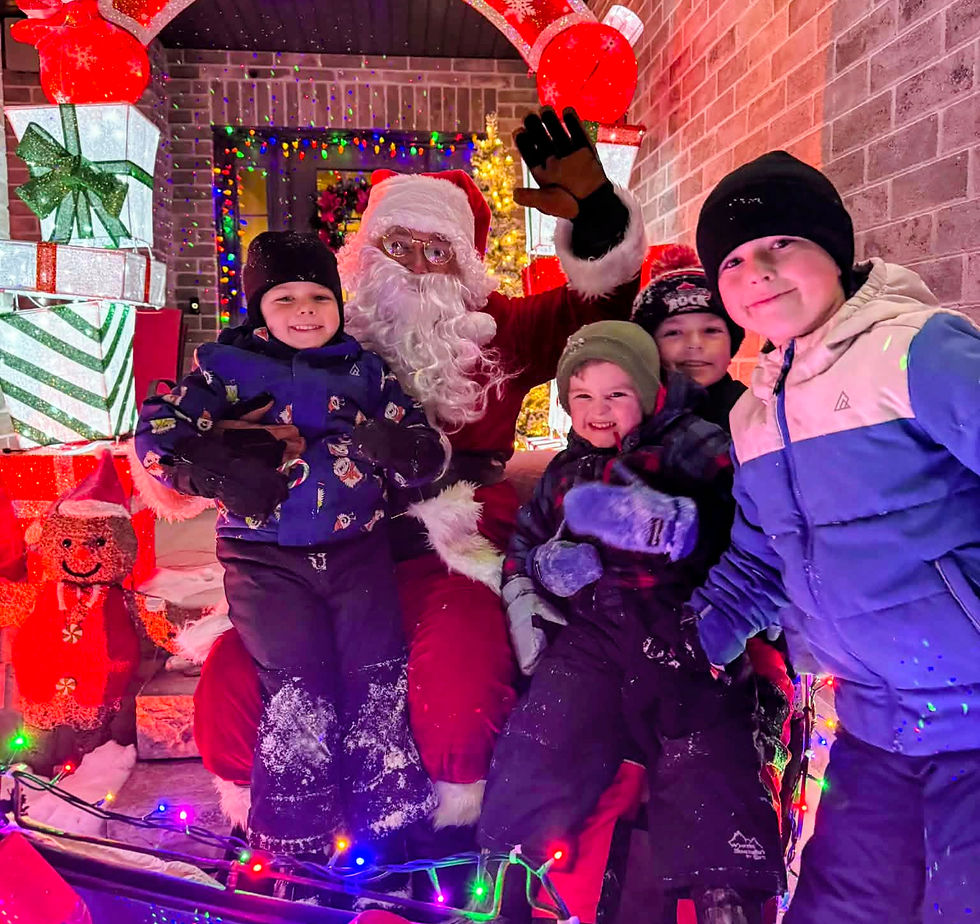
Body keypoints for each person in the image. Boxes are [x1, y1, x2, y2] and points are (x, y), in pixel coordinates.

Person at [183, 107, 650, 842]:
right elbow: (200, 425)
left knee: (459, 674)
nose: (412, 263)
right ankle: (280, 830)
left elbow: (601, 306)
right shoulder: (312, 334)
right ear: (365, 255)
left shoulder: (499, 327)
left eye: (435, 249)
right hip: (315, 548)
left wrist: (596, 223)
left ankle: (437, 838)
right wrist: (218, 463)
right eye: (396, 244)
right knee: (238, 680)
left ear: (463, 265)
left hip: (450, 537)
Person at [689, 150, 980, 923]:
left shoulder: (918, 350)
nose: (759, 271)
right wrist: (690, 644)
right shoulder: (756, 414)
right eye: (736, 260)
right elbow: (760, 561)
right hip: (874, 728)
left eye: (781, 244)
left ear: (834, 249)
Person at [134, 231, 445, 857]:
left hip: (358, 552)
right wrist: (215, 474)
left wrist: (405, 449)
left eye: (317, 297)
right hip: (265, 560)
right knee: (299, 687)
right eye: (285, 298)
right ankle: (294, 847)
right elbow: (157, 433)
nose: (305, 310)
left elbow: (426, 445)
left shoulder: (364, 369)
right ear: (257, 308)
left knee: (378, 679)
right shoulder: (225, 369)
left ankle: (389, 836)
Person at [478, 321, 786, 924]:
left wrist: (688, 531)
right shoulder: (566, 470)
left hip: (684, 622)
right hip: (594, 629)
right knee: (546, 729)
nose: (598, 412)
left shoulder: (696, 445)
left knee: (703, 741)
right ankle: (509, 862)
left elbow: (752, 526)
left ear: (649, 392)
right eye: (582, 397)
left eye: (617, 394)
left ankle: (725, 887)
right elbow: (526, 542)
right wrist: (543, 568)